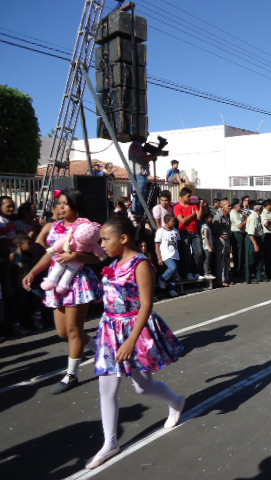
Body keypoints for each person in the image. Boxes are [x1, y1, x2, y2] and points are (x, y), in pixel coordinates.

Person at [86, 216, 184, 469]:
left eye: (105, 239)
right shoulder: (113, 262)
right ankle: (110, 442)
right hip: (110, 330)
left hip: (133, 329)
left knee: (142, 386)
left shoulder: (140, 264)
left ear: (123, 238)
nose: (102, 244)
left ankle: (176, 401)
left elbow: (146, 304)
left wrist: (131, 340)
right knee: (107, 387)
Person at [22, 190, 103, 393]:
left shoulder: (87, 227)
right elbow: (50, 255)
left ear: (76, 205)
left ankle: (71, 375)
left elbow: (98, 257)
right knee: (63, 332)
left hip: (77, 281)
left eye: (65, 203)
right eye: (59, 203)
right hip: (56, 279)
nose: (61, 207)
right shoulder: (55, 227)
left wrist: (75, 256)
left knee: (74, 329)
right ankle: (101, 349)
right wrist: (33, 272)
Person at [174, 187, 205, 280]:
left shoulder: (193, 205)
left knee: (199, 252)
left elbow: (199, 217)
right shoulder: (178, 207)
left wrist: (201, 206)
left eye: (190, 196)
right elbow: (182, 221)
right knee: (186, 253)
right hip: (184, 232)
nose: (190, 198)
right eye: (188, 196)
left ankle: (196, 272)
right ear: (182, 197)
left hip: (195, 231)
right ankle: (187, 273)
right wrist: (193, 215)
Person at [128, 139, 157, 218]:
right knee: (139, 197)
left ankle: (139, 216)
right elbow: (143, 157)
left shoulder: (138, 145)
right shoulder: (136, 144)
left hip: (140, 175)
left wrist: (151, 156)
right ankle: (137, 216)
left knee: (140, 197)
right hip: (139, 175)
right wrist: (153, 155)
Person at [155, 214, 180, 297]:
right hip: (166, 255)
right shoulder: (160, 231)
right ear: (167, 222)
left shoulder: (175, 231)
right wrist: (159, 257)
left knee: (173, 273)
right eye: (173, 221)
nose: (174, 223)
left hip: (175, 254)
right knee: (173, 268)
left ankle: (172, 290)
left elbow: (178, 241)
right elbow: (157, 245)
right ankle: (162, 278)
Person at [212, 200, 233, 286]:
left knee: (227, 260)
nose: (230, 207)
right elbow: (214, 230)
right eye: (228, 206)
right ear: (222, 207)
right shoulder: (218, 216)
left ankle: (226, 279)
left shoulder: (228, 216)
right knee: (220, 260)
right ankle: (220, 280)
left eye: (230, 206)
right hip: (220, 240)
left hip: (227, 239)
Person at [245, 203, 265, 284]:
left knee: (258, 259)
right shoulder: (253, 217)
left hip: (258, 238)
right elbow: (251, 233)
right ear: (259, 210)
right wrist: (255, 245)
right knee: (251, 260)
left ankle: (258, 276)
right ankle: (249, 278)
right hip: (252, 239)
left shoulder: (258, 217)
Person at [230, 200, 248, 279]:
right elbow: (240, 225)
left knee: (242, 253)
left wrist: (244, 217)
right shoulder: (234, 213)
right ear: (235, 207)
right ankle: (238, 270)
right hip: (237, 234)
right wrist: (247, 220)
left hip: (242, 233)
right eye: (240, 206)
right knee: (239, 253)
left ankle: (241, 269)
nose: (241, 208)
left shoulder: (239, 213)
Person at [201, 212, 216, 280]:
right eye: (210, 217)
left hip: (209, 246)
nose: (211, 219)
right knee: (207, 259)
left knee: (209, 259)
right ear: (206, 219)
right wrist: (209, 247)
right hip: (206, 246)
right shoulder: (205, 227)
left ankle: (208, 272)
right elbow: (206, 237)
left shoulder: (208, 226)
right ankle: (206, 273)